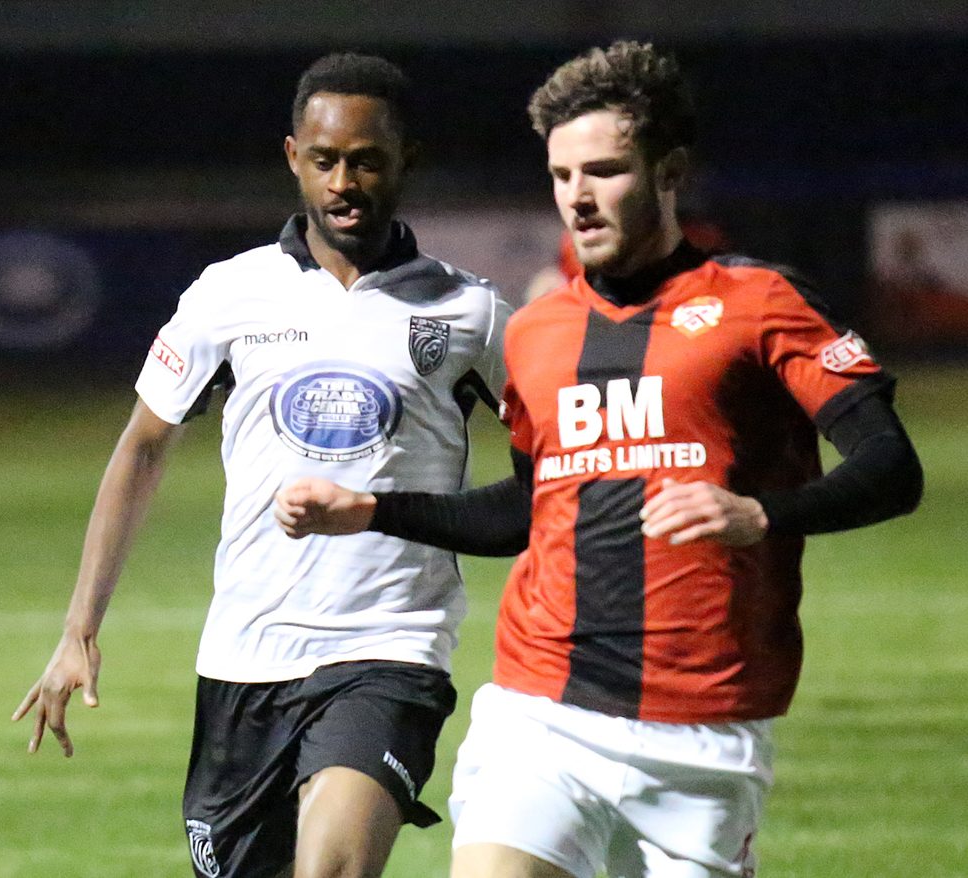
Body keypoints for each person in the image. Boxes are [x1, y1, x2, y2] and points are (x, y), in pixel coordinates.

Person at [275, 40, 922, 878]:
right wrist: (373, 510)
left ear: (668, 171)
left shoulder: (760, 304)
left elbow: (891, 466)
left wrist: (758, 514)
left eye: (605, 170)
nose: (577, 198)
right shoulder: (539, 333)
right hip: (540, 713)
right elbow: (528, 506)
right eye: (561, 175)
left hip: (704, 735)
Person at [13, 51, 512, 878]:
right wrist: (79, 629)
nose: (344, 182)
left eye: (367, 160)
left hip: (390, 646)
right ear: (293, 158)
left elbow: (562, 456)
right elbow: (143, 446)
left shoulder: (468, 310)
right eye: (325, 161)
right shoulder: (228, 294)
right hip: (244, 659)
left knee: (331, 868)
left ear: (406, 161)